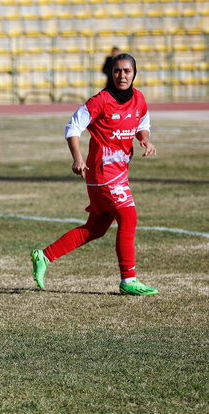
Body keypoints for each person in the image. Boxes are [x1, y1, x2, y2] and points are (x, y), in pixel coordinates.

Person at [30, 53, 158, 296]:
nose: (122, 75)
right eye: (117, 71)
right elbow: (73, 128)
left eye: (127, 71)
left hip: (119, 173)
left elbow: (142, 123)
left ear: (134, 74)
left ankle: (44, 256)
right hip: (102, 173)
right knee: (128, 217)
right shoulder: (101, 100)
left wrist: (145, 140)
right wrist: (77, 157)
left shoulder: (139, 99)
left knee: (96, 228)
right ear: (111, 73)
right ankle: (128, 279)